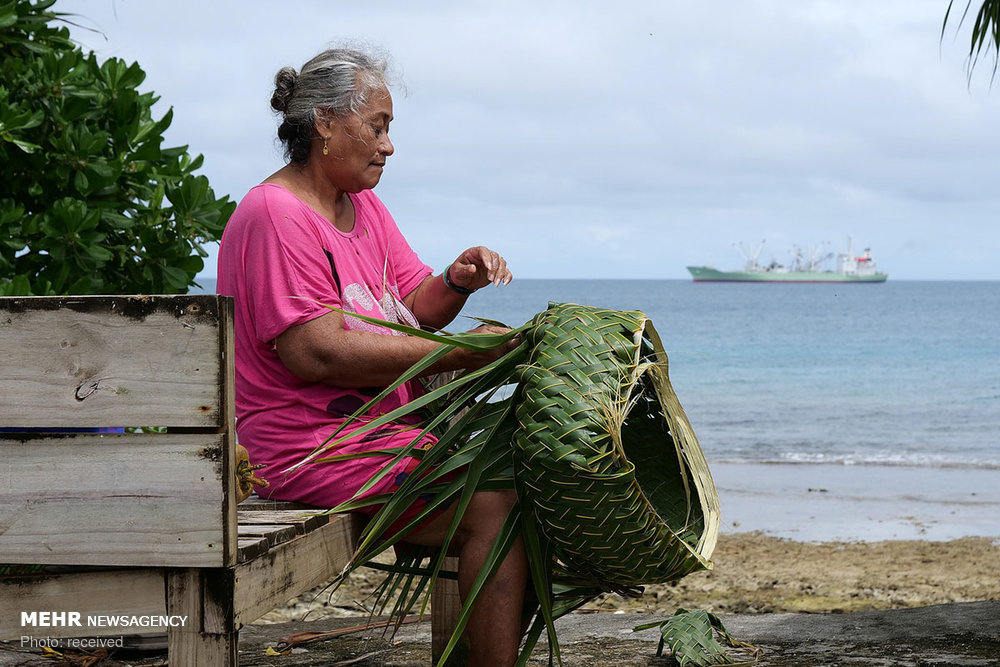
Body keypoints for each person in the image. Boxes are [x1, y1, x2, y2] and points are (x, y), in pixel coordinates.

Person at [216, 47, 526, 665]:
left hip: (376, 437)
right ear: (325, 123)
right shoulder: (277, 214)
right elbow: (314, 352)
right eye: (378, 126)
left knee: (525, 478)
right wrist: (463, 355)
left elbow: (416, 304)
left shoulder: (363, 206)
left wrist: (458, 281)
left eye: (389, 130)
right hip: (310, 445)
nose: (388, 146)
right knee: (497, 503)